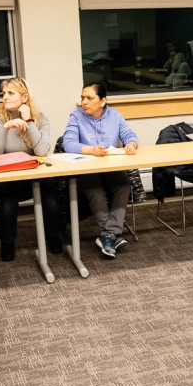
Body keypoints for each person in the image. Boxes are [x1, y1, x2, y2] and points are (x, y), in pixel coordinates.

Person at [0, 78, 63, 261]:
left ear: (25, 97)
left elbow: (42, 151)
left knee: (51, 199)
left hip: (34, 175)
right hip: (8, 177)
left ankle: (53, 237)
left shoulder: (41, 119)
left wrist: (28, 121)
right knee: (8, 203)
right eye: (3, 93)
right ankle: (7, 243)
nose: (5, 97)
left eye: (10, 93)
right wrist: (6, 128)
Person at [63, 82, 138, 258]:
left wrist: (132, 144)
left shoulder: (114, 115)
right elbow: (68, 143)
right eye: (82, 97)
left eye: (90, 98)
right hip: (86, 166)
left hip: (109, 164)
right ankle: (111, 235)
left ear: (103, 101)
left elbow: (128, 134)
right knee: (95, 190)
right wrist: (90, 150)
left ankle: (107, 235)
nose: (84, 102)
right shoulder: (76, 116)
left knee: (123, 186)